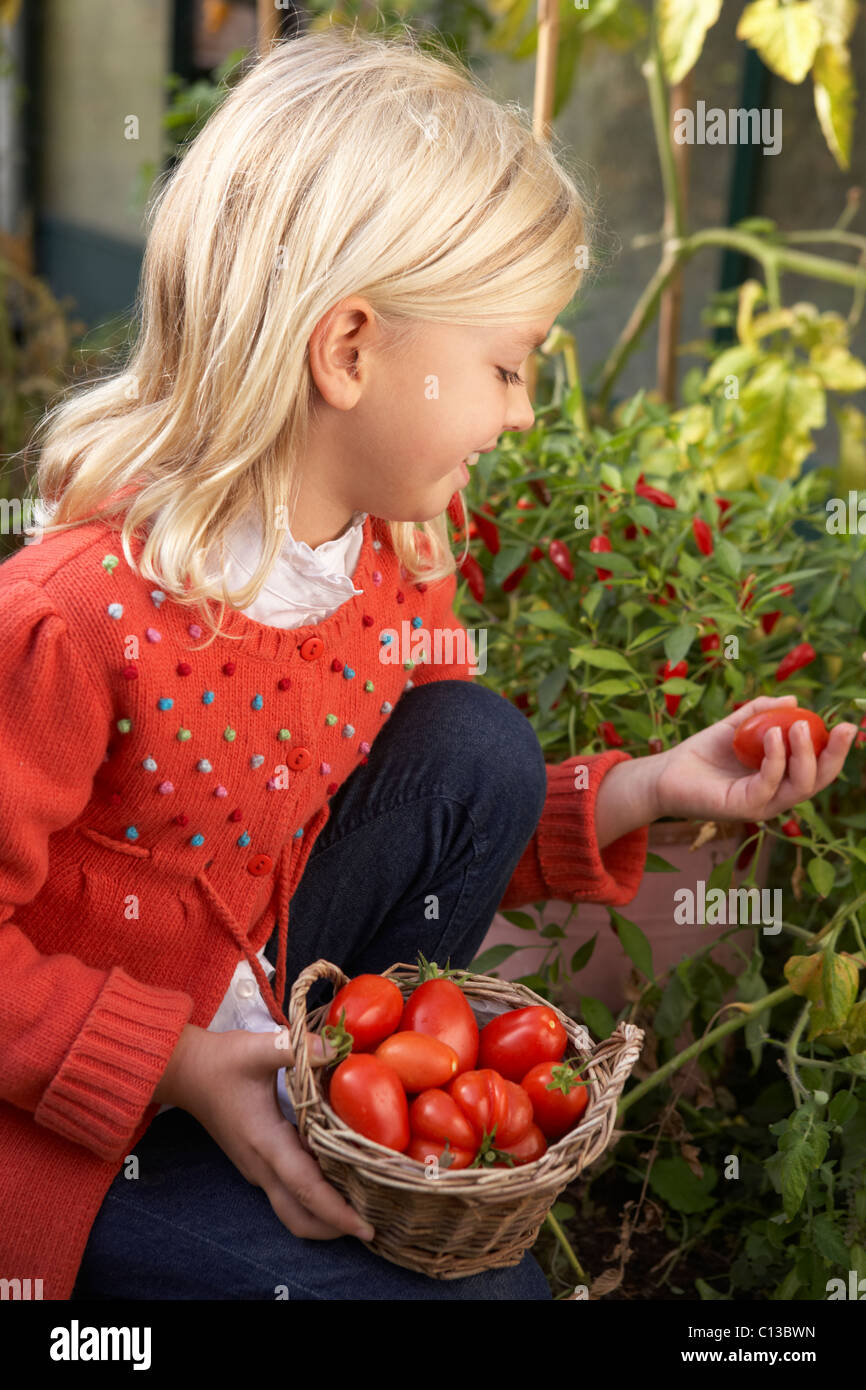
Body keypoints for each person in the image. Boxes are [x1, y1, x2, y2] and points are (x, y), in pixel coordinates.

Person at [0, 28, 856, 1303]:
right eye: (506, 366)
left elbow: (423, 818)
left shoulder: (396, 561)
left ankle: (354, 1133)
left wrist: (648, 787)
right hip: (81, 1125)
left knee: (472, 739)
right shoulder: (69, 618)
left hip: (275, 1027)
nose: (521, 413)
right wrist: (175, 1064)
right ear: (348, 351)